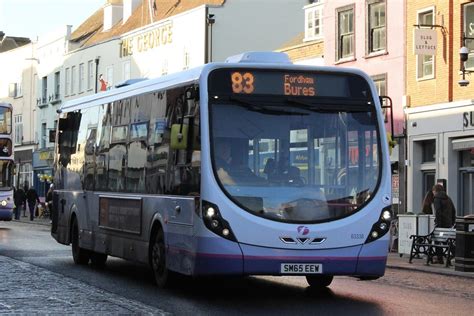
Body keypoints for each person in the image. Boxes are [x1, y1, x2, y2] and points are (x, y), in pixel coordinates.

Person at [432, 184, 456, 264]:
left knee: (437, 240)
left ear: (435, 191)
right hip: (448, 225)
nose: (433, 193)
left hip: (440, 225)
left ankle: (440, 259)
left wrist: (438, 224)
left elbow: (438, 212)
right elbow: (453, 211)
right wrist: (452, 222)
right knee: (447, 241)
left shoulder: (436, 199)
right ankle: (456, 254)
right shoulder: (448, 198)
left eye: (433, 191)